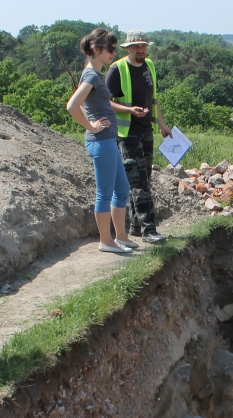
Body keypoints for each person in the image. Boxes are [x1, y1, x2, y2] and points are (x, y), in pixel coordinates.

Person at [66, 29, 139, 255]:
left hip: (108, 141)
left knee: (122, 189)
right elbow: (72, 106)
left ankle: (121, 237)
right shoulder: (91, 76)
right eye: (109, 48)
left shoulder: (94, 74)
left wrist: (92, 121)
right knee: (105, 192)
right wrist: (91, 126)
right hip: (101, 142)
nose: (113, 52)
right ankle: (106, 241)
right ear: (96, 50)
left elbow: (87, 106)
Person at [106, 29, 169, 244]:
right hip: (126, 133)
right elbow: (105, 101)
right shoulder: (118, 69)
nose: (140, 49)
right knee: (139, 182)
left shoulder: (149, 66)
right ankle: (149, 230)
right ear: (128, 48)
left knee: (143, 180)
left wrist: (162, 124)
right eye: (136, 46)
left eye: (143, 46)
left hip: (145, 131)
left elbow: (154, 99)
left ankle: (134, 226)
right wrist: (130, 111)